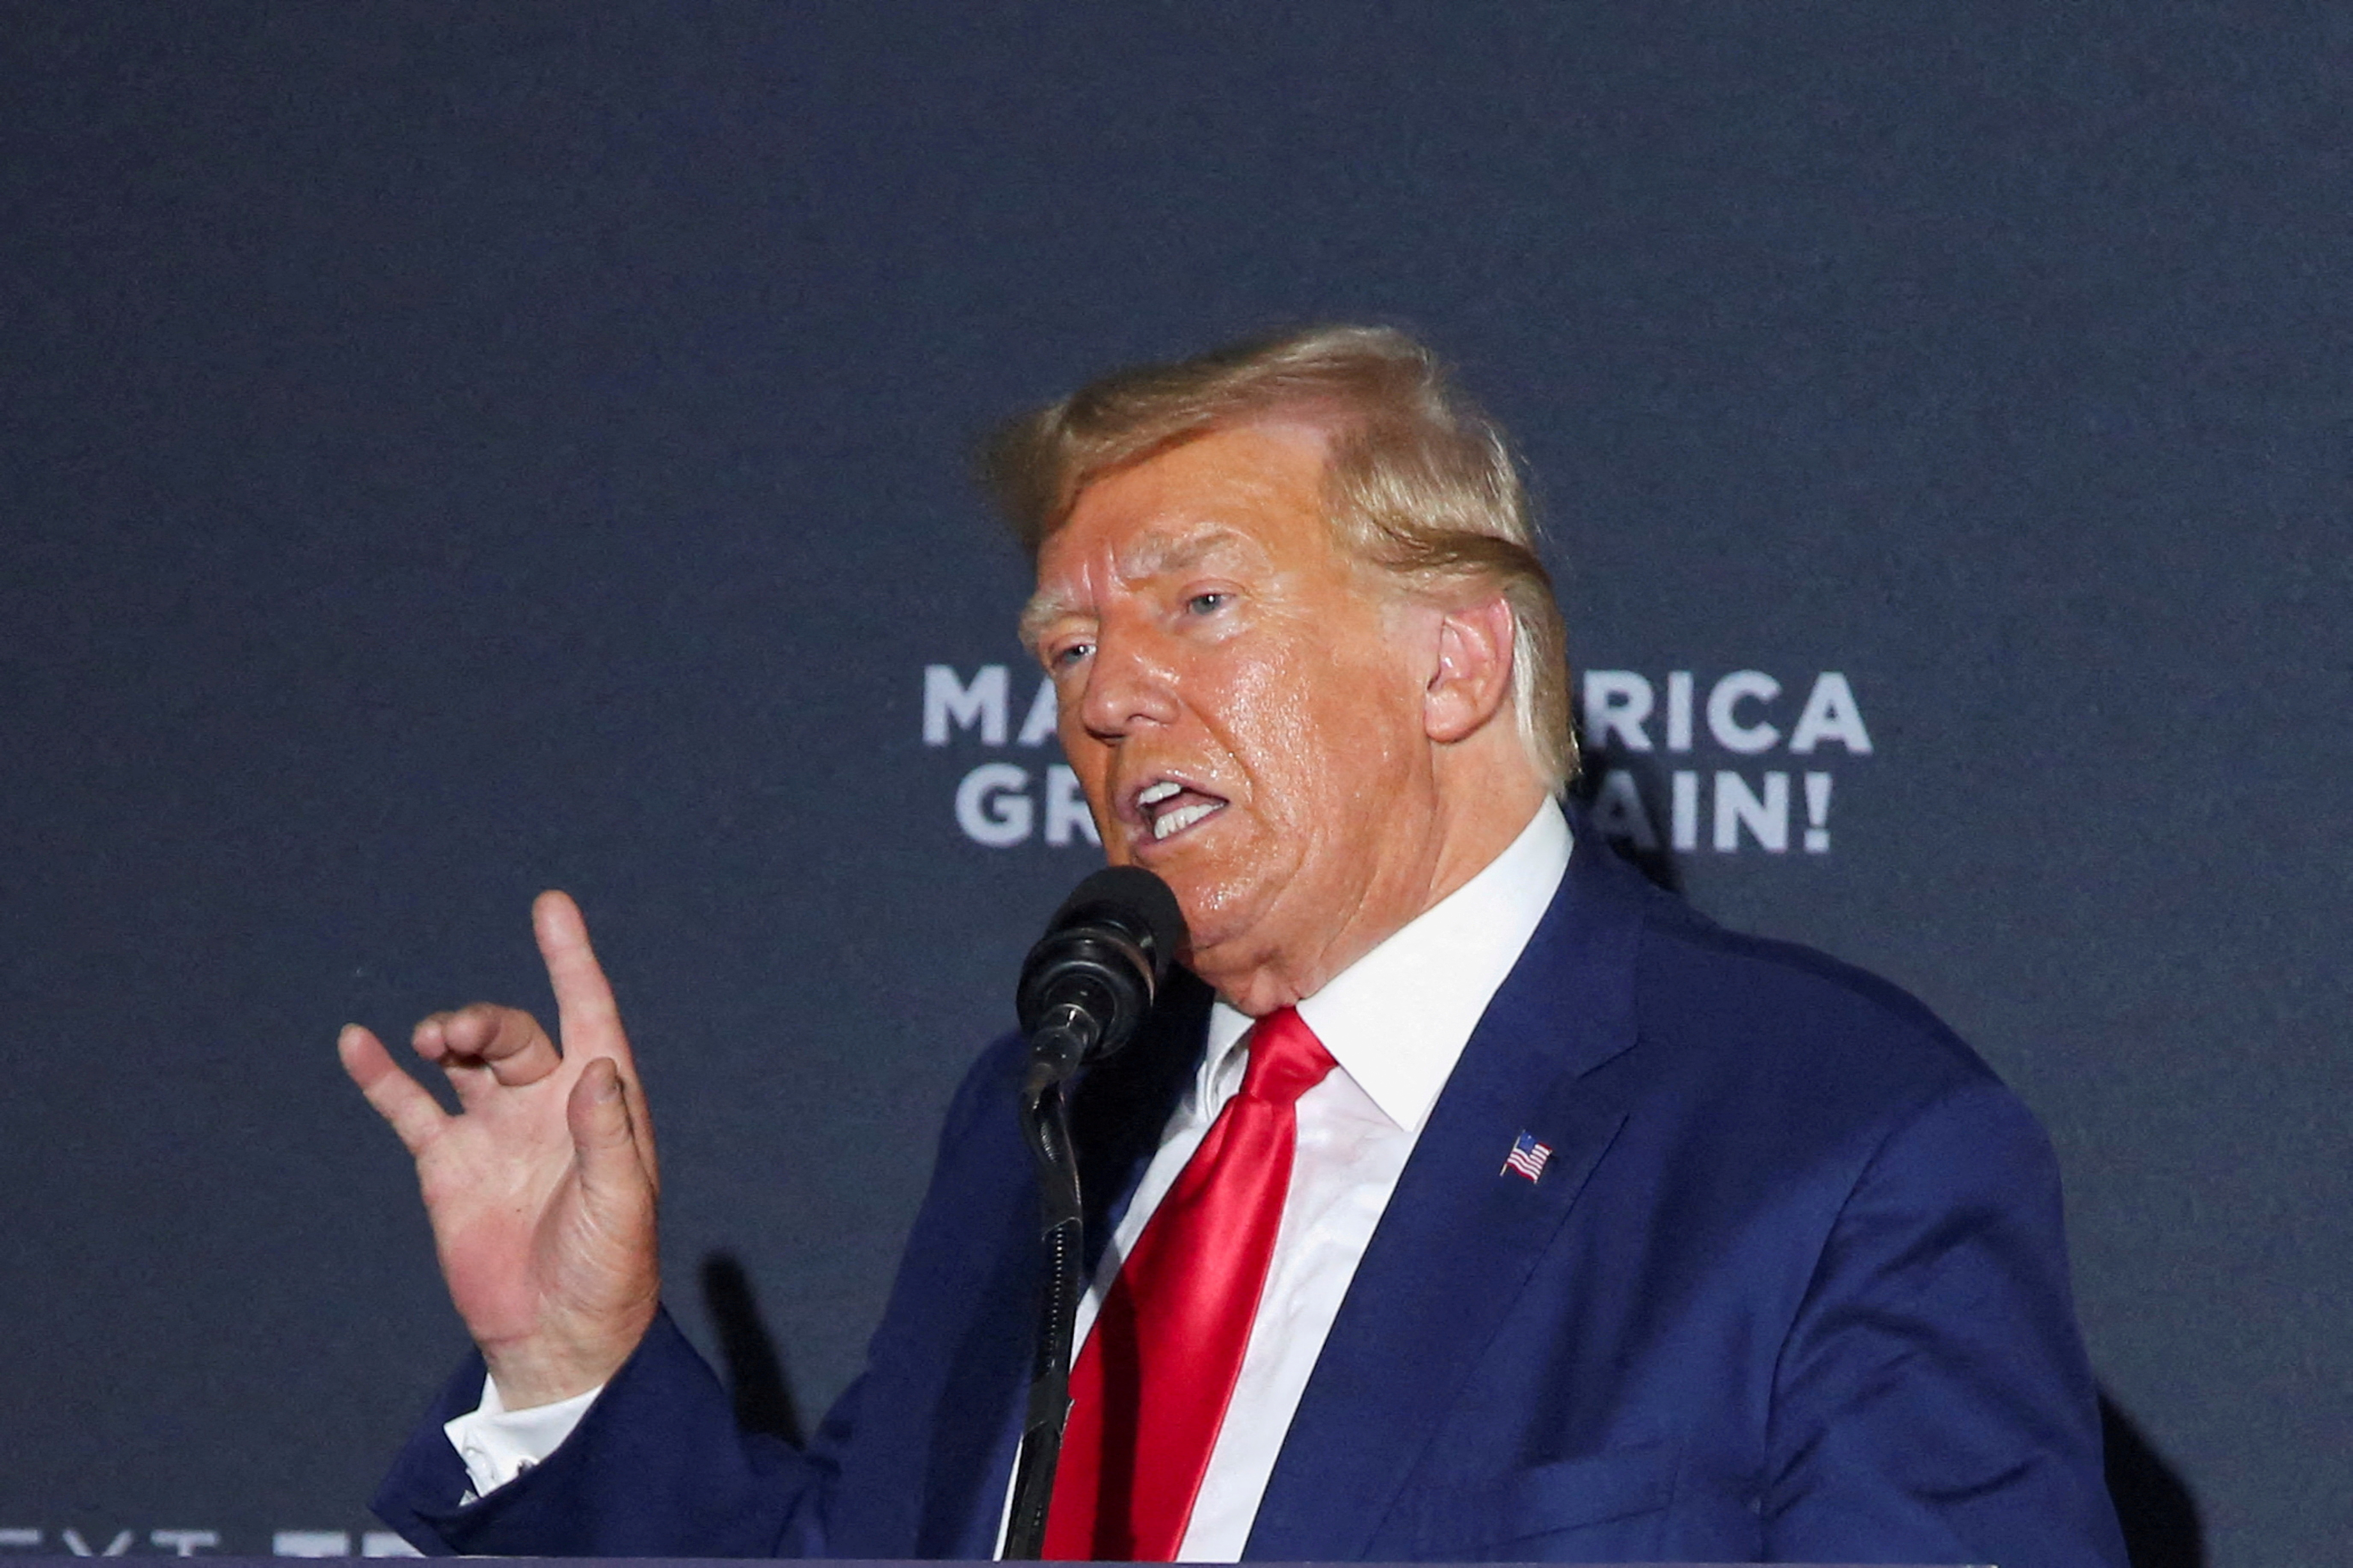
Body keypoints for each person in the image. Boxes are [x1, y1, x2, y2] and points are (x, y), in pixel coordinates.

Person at [345, 325, 2128, 1565]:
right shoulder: (1045, 1108)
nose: (1108, 695)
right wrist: (573, 1359)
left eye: (1199, 605)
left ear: (1456, 659)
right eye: (1061, 649)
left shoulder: (1829, 1137)